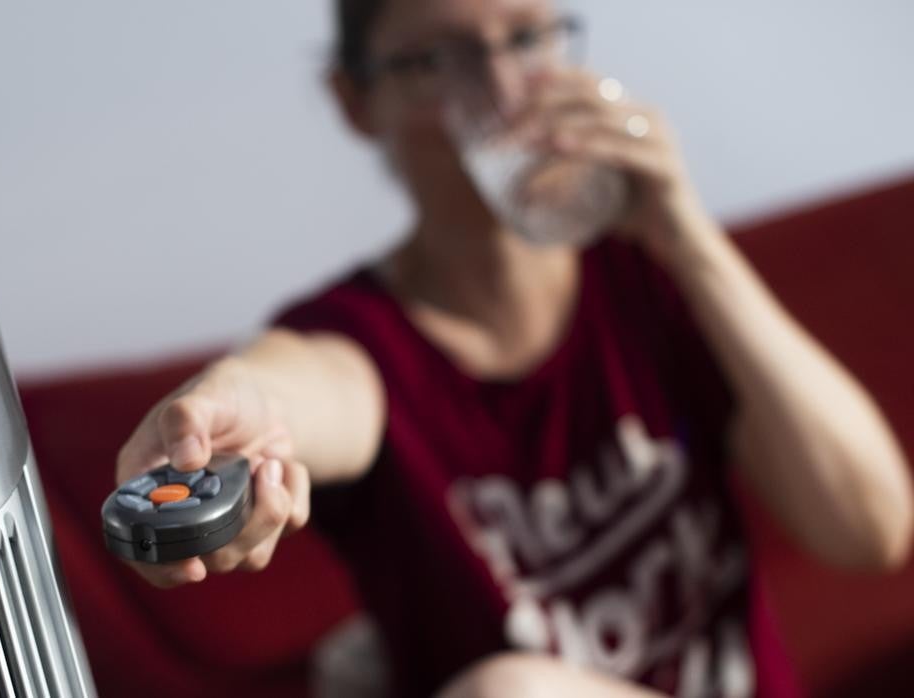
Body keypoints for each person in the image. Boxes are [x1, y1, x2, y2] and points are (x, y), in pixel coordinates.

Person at [113, 0, 914, 695]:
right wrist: (240, 407)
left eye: (528, 37)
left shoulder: (647, 277)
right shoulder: (367, 339)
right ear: (356, 99)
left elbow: (870, 529)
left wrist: (687, 235)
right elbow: (305, 386)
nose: (501, 89)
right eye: (443, 59)